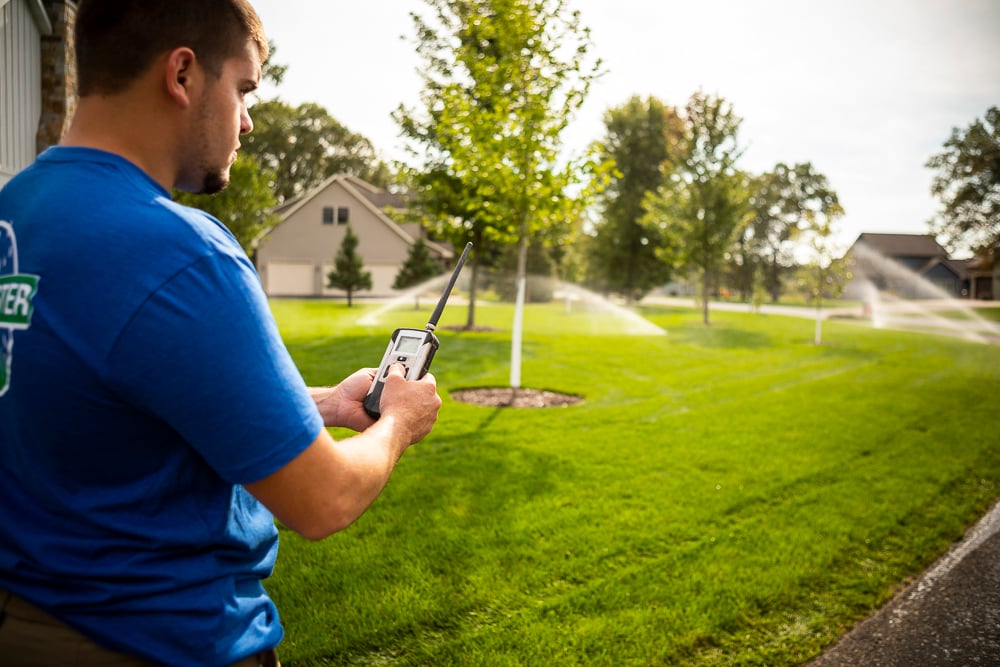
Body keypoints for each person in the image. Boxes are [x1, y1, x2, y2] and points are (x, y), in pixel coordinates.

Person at [0, 1, 442, 665]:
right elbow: (323, 499)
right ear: (182, 74)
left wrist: (320, 405)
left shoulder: (17, 211)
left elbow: (96, 396)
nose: (248, 120)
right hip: (160, 639)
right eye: (243, 88)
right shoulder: (178, 253)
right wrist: (398, 421)